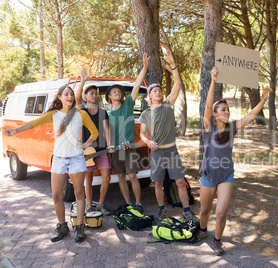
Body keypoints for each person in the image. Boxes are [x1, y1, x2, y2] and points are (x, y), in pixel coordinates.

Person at [3, 85, 99, 243]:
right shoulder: (53, 114)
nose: (69, 96)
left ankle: (80, 228)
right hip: (59, 159)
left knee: (79, 194)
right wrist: (16, 130)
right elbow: (34, 123)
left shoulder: (81, 114)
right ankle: (62, 226)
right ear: (59, 97)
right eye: (66, 94)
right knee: (56, 196)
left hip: (76, 158)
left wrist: (85, 144)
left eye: (71, 94)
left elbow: (95, 132)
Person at [198, 67, 271, 256]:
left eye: (228, 110)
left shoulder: (232, 127)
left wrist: (263, 98)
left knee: (221, 212)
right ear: (215, 114)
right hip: (208, 175)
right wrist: (213, 80)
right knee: (205, 211)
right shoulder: (208, 125)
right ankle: (203, 230)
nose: (227, 112)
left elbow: (251, 115)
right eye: (223, 110)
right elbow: (207, 106)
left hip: (226, 175)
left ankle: (217, 241)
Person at [139, 44, 198, 223]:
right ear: (149, 95)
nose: (158, 92)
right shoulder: (146, 113)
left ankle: (187, 210)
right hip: (156, 153)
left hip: (171, 151)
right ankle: (161, 210)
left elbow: (178, 83)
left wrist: (173, 66)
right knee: (157, 183)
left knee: (180, 181)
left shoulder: (167, 105)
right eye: (154, 90)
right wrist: (147, 142)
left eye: (160, 90)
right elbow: (142, 134)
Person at [105, 53, 150, 213]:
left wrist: (144, 68)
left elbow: (137, 85)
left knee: (132, 176)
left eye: (119, 91)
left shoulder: (127, 105)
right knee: (121, 177)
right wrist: (109, 146)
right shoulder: (107, 114)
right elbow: (107, 133)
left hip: (129, 148)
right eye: (114, 92)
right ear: (109, 97)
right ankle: (129, 204)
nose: (117, 93)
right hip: (116, 150)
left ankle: (138, 203)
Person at [76, 68, 113, 216]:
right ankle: (89, 206)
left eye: (96, 93)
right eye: (91, 93)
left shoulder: (103, 112)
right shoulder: (82, 111)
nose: (94, 95)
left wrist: (109, 145)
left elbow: (106, 130)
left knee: (107, 177)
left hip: (102, 149)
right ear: (86, 96)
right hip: (87, 151)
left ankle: (101, 205)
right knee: (89, 178)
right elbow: (77, 99)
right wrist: (83, 81)